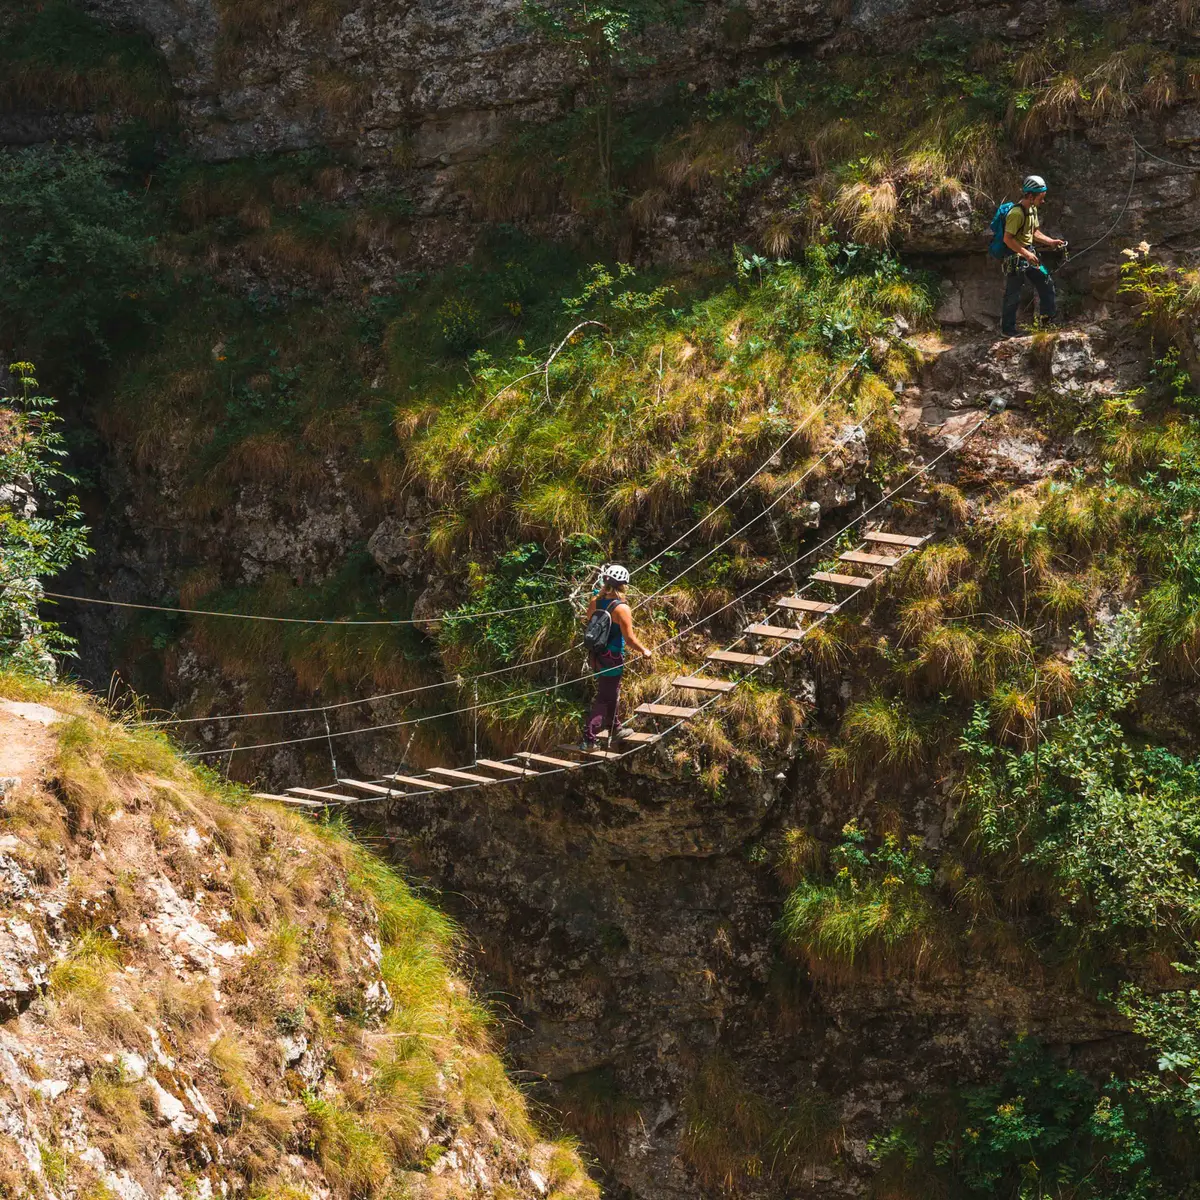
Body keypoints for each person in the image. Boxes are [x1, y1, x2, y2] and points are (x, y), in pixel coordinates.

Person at [581, 564, 651, 749]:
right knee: (605, 697)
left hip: (596, 655)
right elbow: (629, 639)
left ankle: (615, 728)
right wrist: (644, 650)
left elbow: (589, 619)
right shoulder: (622, 608)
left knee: (610, 691)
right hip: (612, 657)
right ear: (623, 585)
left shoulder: (595, 602)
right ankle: (589, 739)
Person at [1001, 174, 1067, 338]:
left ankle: (1046, 323)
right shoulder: (1016, 214)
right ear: (1030, 196)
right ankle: (1007, 330)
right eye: (1041, 197)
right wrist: (1026, 254)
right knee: (1013, 294)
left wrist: (1051, 242)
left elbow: (1034, 232)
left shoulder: (1032, 210)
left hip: (1029, 254)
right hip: (1015, 257)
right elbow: (1007, 239)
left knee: (1046, 282)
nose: (1043, 201)